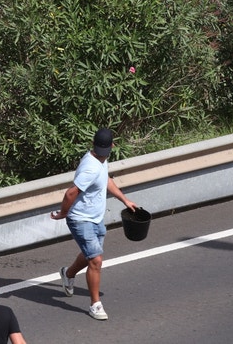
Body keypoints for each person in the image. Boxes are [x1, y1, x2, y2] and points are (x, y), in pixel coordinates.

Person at [50, 127, 138, 321]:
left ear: (111, 146)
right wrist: (63, 213)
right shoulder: (91, 166)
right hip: (80, 219)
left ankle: (68, 273)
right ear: (93, 146)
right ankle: (95, 304)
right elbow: (71, 193)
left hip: (95, 217)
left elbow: (106, 180)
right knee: (96, 260)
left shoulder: (101, 160)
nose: (102, 153)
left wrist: (125, 200)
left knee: (91, 253)